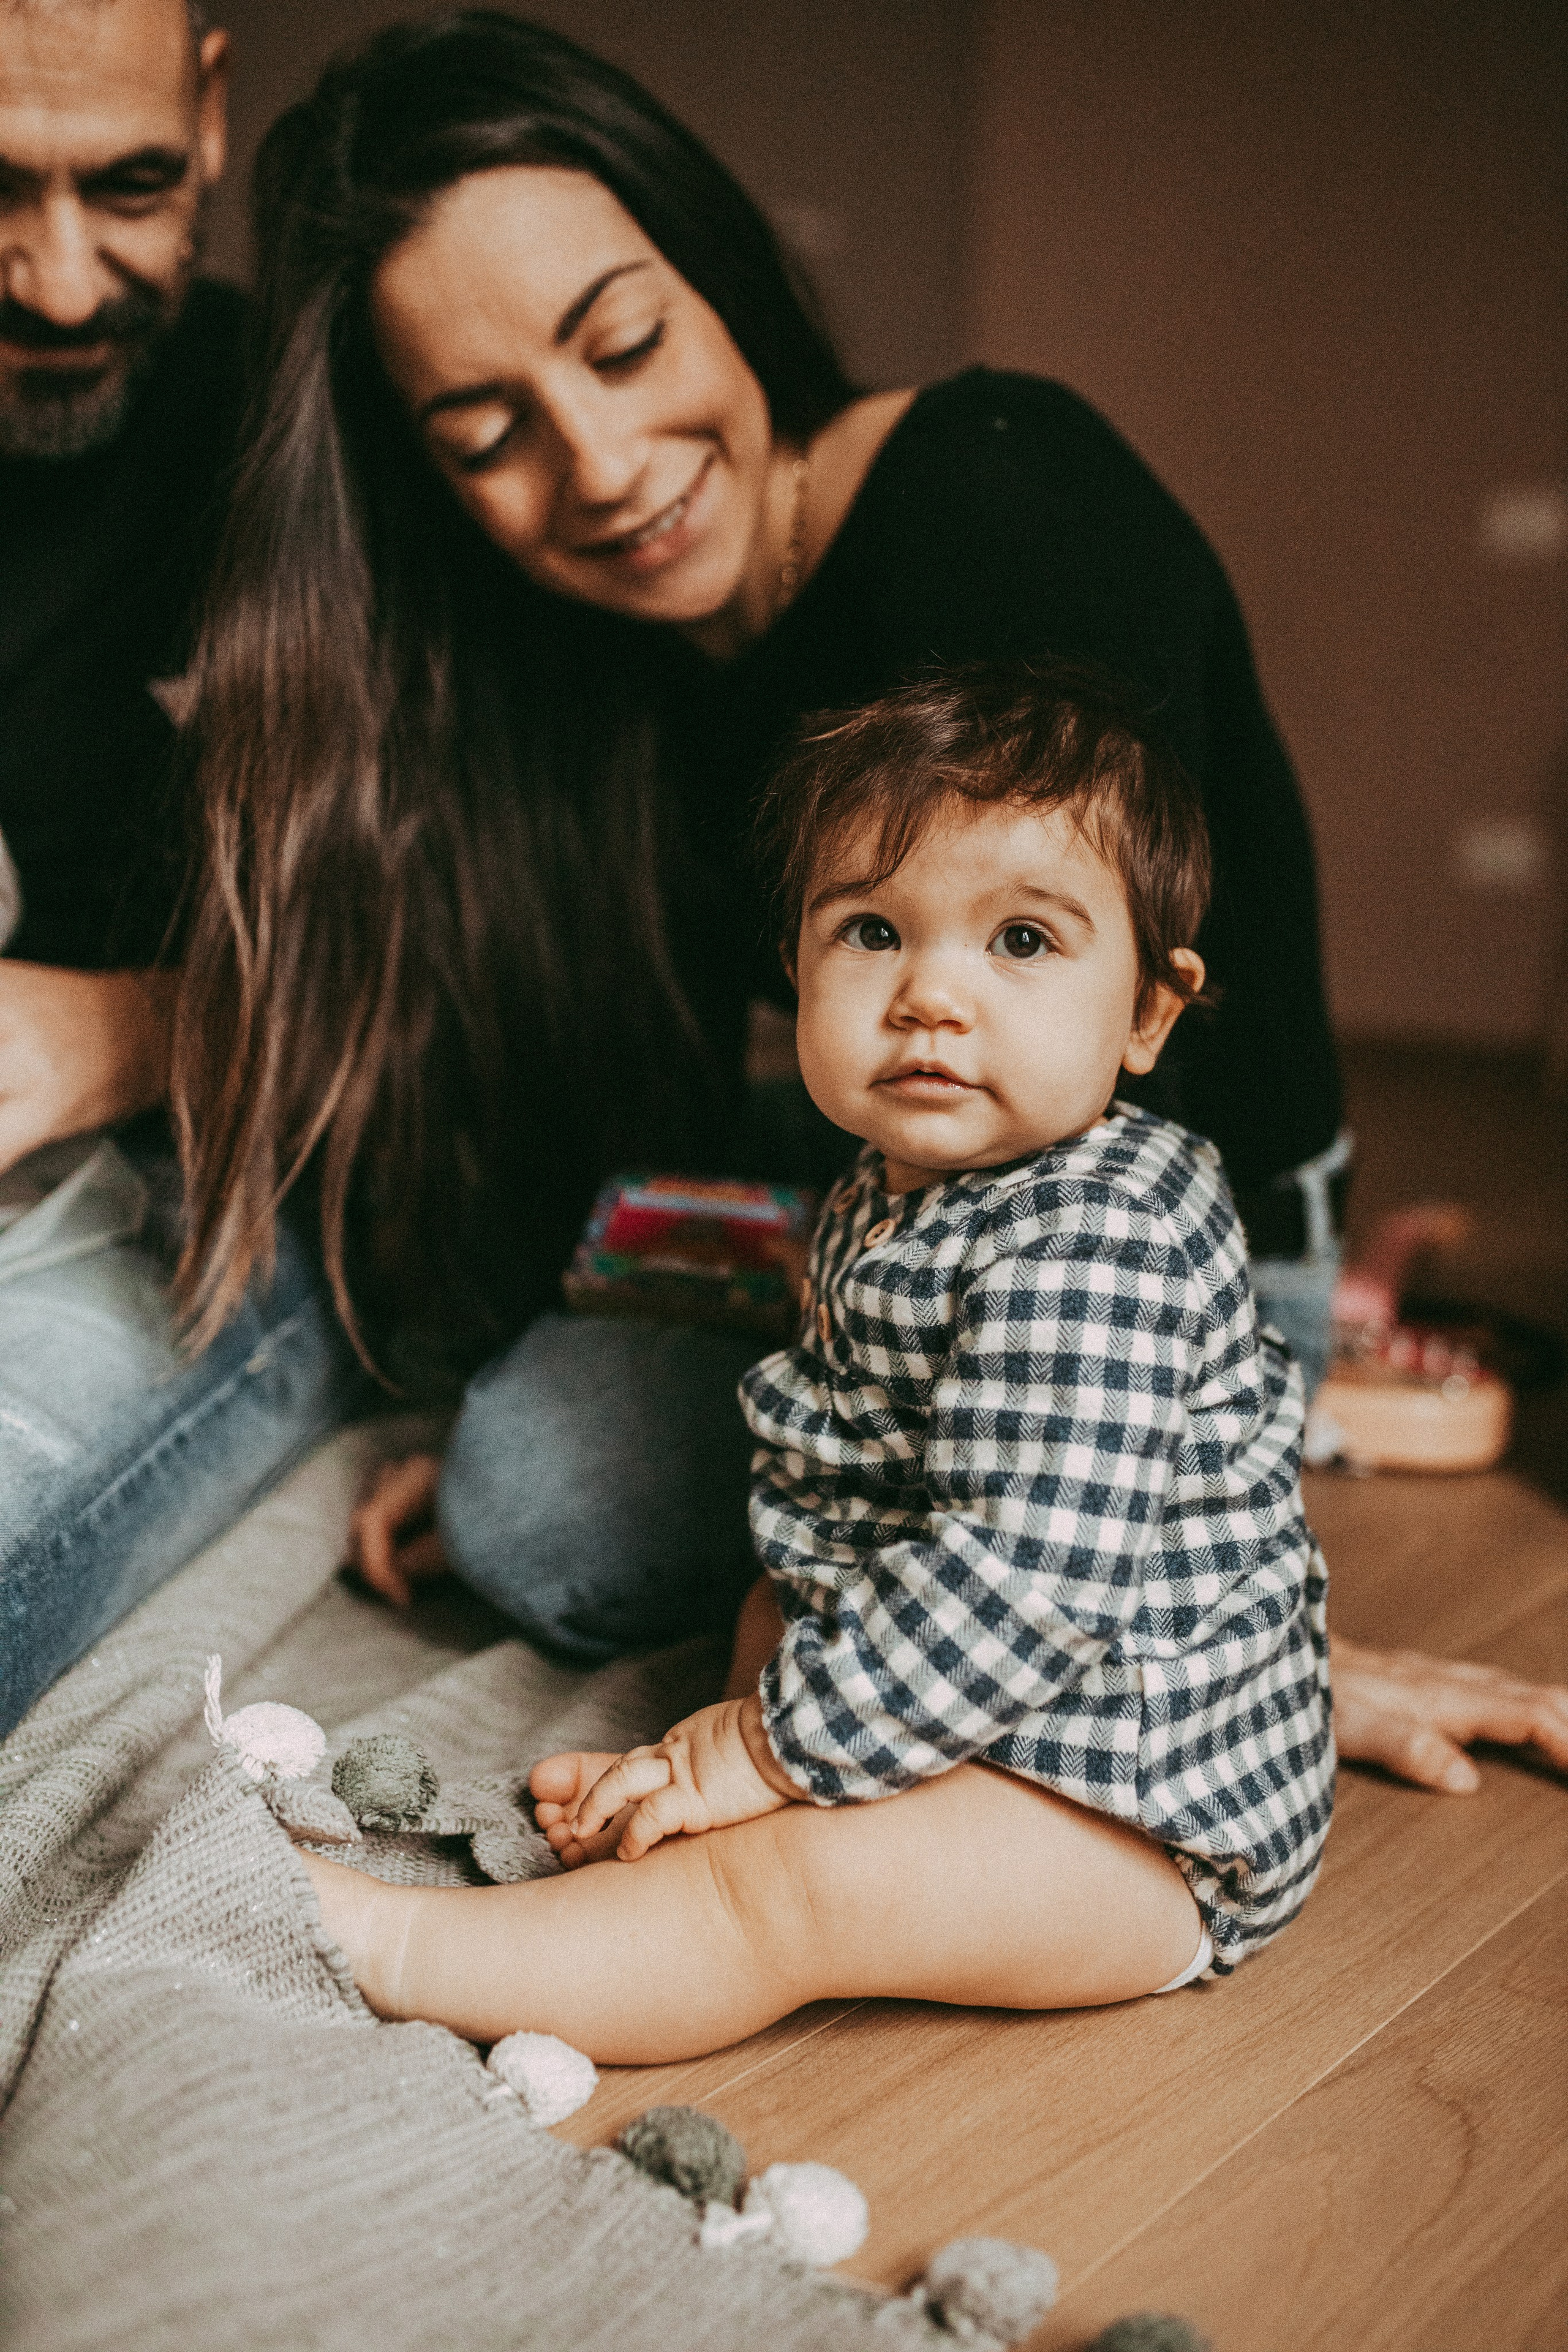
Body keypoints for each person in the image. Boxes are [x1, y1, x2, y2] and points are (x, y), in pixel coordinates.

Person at [156, 10, 1560, 1800]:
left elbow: (1111, 1162)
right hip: (894, 1178)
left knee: (558, 1502)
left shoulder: (994, 496)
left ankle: (1302, 1368)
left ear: (714, 268)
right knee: (526, 1468)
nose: (598, 465)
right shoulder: (581, 668)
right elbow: (653, 1115)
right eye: (488, 430)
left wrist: (1245, 1628)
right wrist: (591, 1317)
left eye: (624, 342)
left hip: (1135, 1206)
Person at [300, 666, 1335, 2059]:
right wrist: (752, 1720)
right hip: (946, 1683)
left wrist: (753, 1758)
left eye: (1021, 941)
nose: (929, 997)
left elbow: (1018, 1585)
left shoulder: (1099, 1244)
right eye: (870, 931)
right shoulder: (891, 1178)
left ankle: (413, 1942)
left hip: (1133, 1809)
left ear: (1147, 1013)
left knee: (781, 1892)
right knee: (764, 1612)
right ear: (792, 970)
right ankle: (721, 1821)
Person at [0, 0, 366, 1739]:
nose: (61, 287)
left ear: (214, 117)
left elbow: (485, 981)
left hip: (196, 1169)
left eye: (131, 186)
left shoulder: (322, 427)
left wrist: (124, 1035)